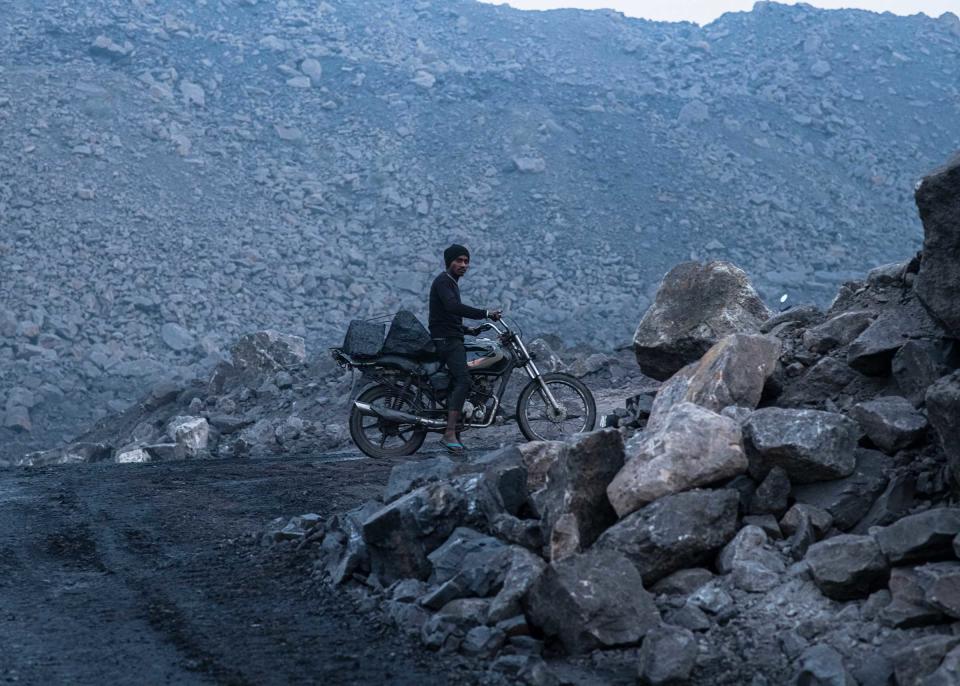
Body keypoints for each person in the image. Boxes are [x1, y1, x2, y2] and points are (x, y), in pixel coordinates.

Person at [428, 244, 501, 454]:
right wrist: (486, 313)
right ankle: (449, 432)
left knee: (462, 378)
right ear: (449, 262)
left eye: (466, 261)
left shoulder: (450, 283)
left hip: (450, 336)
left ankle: (456, 429)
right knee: (463, 380)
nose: (463, 265)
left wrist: (469, 330)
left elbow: (447, 316)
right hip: (446, 341)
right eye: (459, 260)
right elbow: (452, 308)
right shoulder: (443, 282)